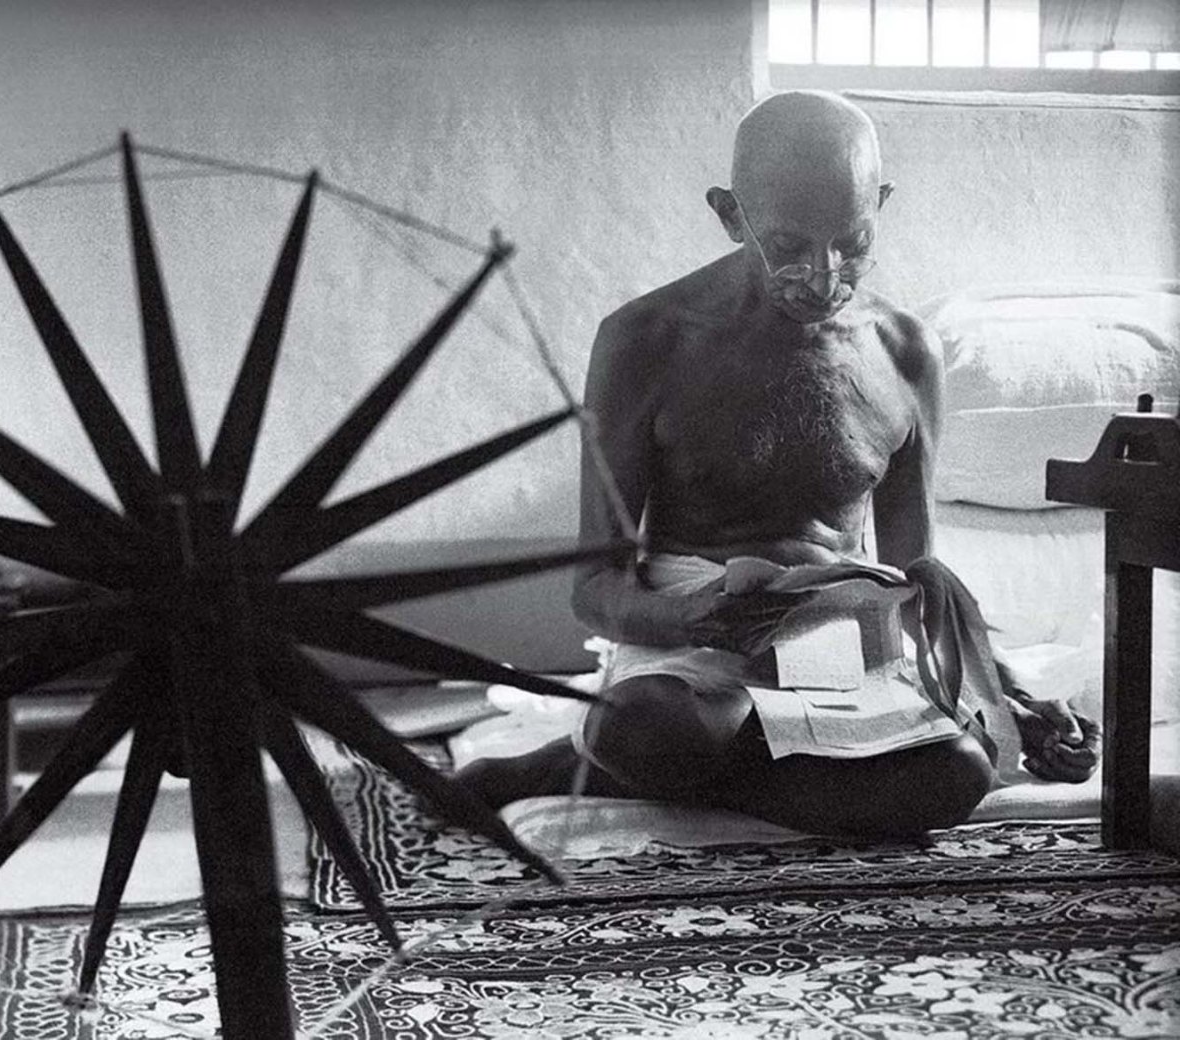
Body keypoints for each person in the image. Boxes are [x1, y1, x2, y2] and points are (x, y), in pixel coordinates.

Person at [457, 90, 1099, 837]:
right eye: (789, 246)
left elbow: (917, 570)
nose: (825, 276)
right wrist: (687, 617)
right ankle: (645, 755)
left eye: (853, 242)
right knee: (649, 725)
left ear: (881, 204)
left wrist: (1006, 690)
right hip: (695, 652)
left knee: (964, 771)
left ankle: (596, 766)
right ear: (731, 216)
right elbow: (594, 586)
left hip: (844, 648)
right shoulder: (646, 340)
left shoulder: (907, 353)